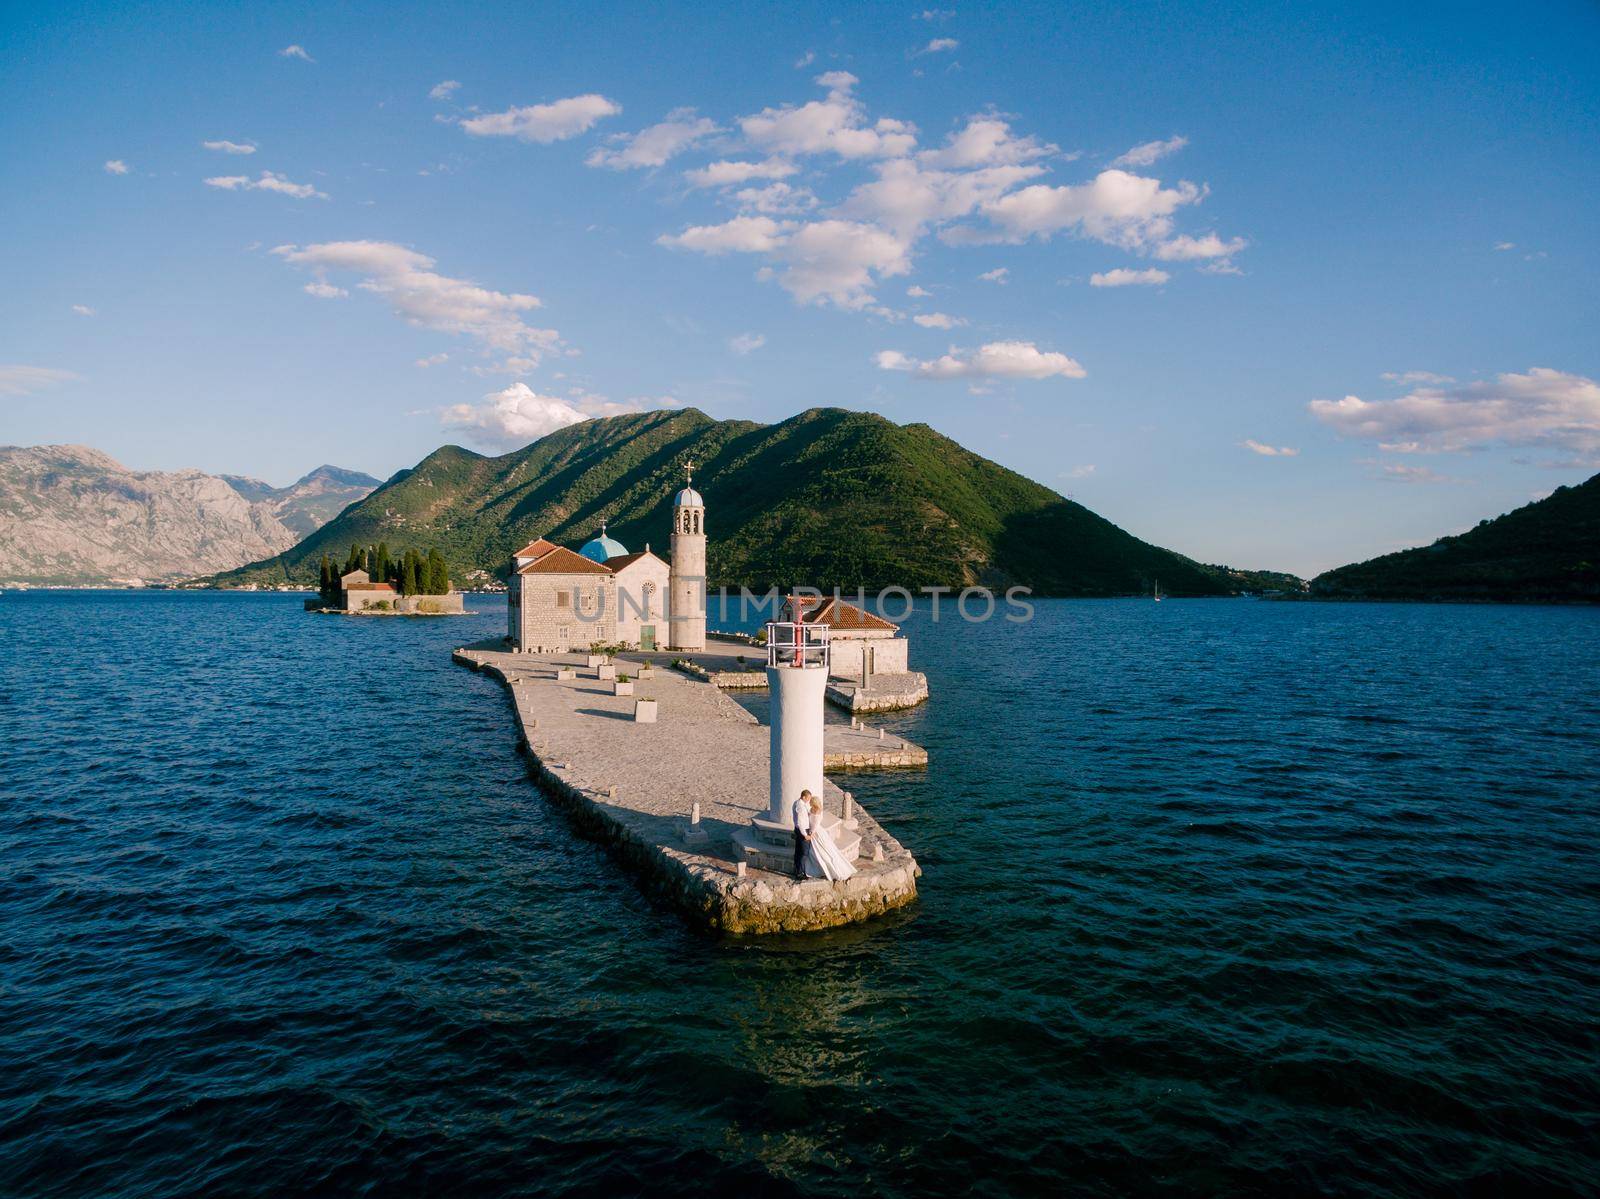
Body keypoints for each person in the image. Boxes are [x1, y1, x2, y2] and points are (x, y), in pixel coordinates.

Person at [803, 794, 858, 882]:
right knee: (815, 853)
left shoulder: (818, 811)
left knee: (824, 852)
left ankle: (835, 871)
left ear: (814, 803)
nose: (809, 803)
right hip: (813, 832)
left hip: (816, 833)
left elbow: (816, 824)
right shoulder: (811, 809)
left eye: (811, 802)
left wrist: (811, 833)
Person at [791, 788, 813, 880]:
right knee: (804, 853)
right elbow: (800, 822)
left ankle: (797, 870)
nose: (809, 800)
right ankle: (800, 873)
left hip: (798, 830)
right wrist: (805, 835)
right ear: (803, 797)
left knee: (798, 851)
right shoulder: (800, 806)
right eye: (808, 798)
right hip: (802, 831)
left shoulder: (798, 803)